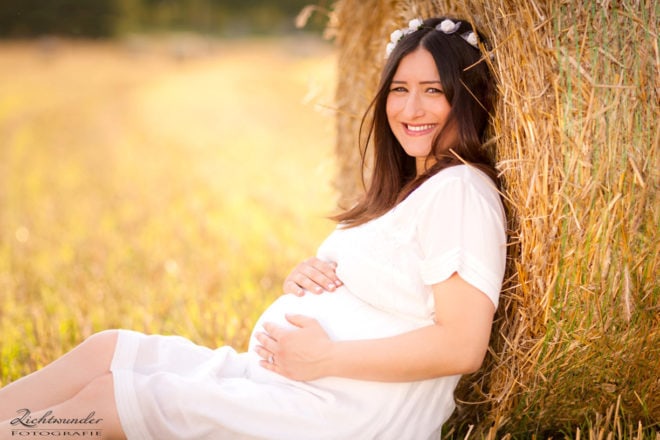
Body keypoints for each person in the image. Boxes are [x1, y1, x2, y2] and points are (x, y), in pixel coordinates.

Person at [0, 16, 506, 440]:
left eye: (433, 92)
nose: (410, 109)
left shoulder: (459, 188)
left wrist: (327, 355)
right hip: (295, 384)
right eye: (399, 90)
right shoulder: (407, 190)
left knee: (108, 399)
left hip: (342, 414)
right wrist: (318, 278)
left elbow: (461, 344)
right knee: (107, 350)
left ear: (466, 98)